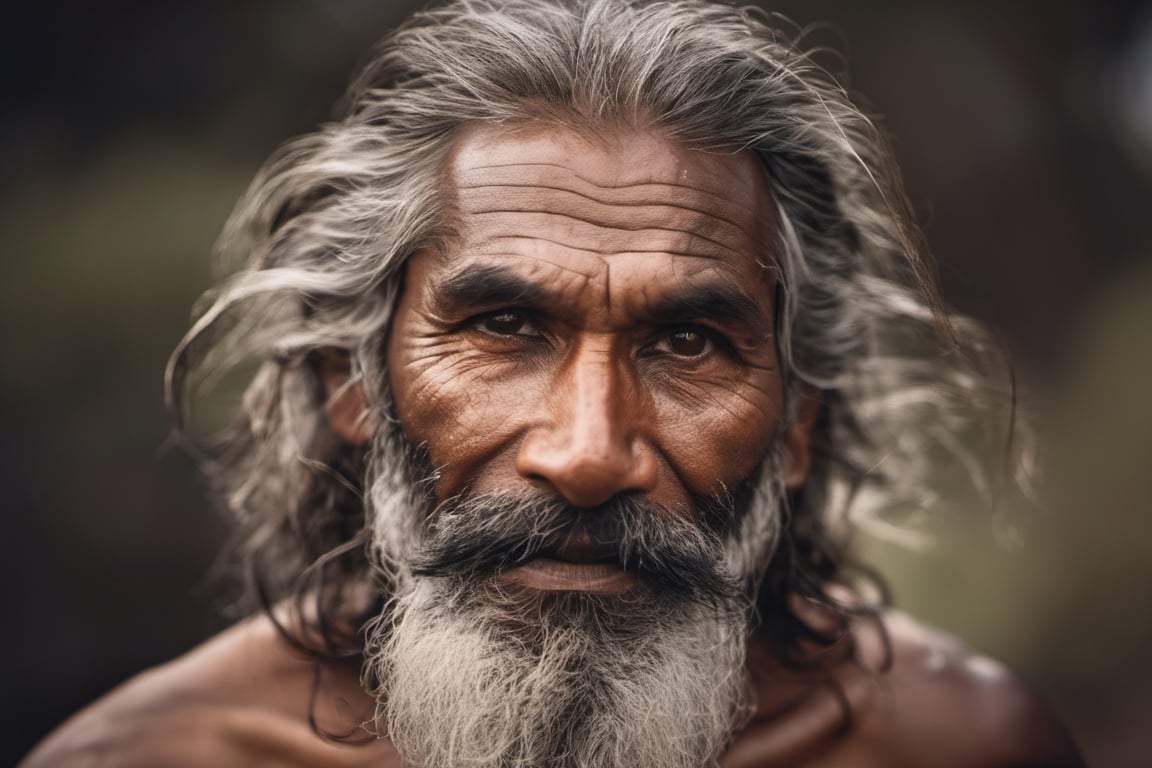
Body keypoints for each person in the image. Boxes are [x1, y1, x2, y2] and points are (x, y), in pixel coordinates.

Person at [23, 0, 1084, 765]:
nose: (586, 454)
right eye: (504, 326)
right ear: (354, 383)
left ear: (799, 423)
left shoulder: (957, 745)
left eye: (689, 345)